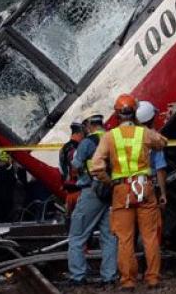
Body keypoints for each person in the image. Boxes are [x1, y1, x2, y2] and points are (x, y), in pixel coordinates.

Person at [90, 94, 168, 290]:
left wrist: (110, 182)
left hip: (121, 190)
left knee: (124, 238)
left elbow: (96, 167)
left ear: (117, 114)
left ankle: (128, 281)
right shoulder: (145, 133)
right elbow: (163, 142)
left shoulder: (109, 137)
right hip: (145, 188)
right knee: (149, 236)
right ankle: (152, 278)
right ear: (135, 113)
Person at [67, 113, 116, 286]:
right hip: (111, 190)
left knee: (77, 235)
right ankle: (109, 276)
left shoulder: (87, 142)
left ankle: (77, 276)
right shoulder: (113, 138)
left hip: (92, 191)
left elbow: (77, 164)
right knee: (109, 236)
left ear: (88, 125)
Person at [136, 101, 168, 211]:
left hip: (132, 187)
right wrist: (163, 194)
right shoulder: (155, 139)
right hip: (150, 187)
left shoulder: (130, 139)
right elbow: (160, 170)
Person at [59, 118, 84, 219]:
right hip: (80, 194)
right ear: (81, 131)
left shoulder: (63, 149)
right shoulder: (80, 148)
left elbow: (61, 170)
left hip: (69, 196)